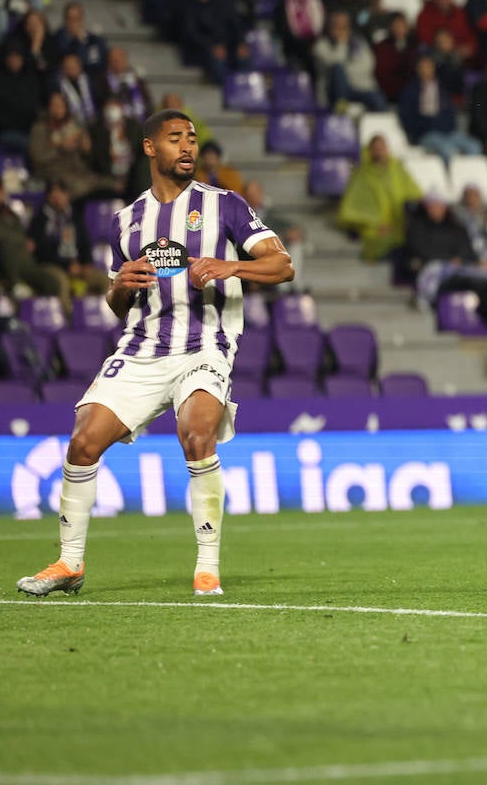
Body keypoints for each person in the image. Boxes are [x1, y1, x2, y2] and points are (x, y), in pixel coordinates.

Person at [16, 109, 295, 598]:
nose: (187, 147)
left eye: (191, 138)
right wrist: (119, 285)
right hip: (144, 348)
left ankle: (207, 568)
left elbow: (282, 265)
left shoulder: (224, 205)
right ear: (150, 148)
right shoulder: (126, 222)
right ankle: (69, 563)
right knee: (83, 442)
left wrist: (229, 267)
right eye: (174, 139)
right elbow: (118, 304)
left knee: (197, 431)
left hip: (205, 343)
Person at [337, 135, 421, 261]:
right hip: (377, 228)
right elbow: (351, 209)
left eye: (382, 147)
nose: (380, 151)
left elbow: (415, 193)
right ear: (370, 151)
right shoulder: (362, 174)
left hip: (402, 224)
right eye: (376, 148)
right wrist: (376, 224)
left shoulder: (398, 168)